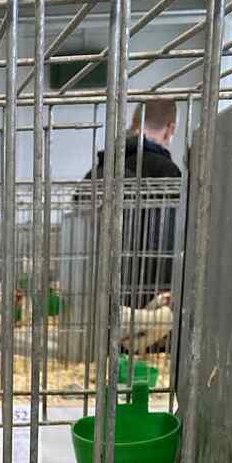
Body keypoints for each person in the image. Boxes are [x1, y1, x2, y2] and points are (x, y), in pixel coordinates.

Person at [84, 99, 181, 311]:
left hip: (93, 298)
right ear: (170, 129)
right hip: (147, 302)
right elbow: (169, 243)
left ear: (135, 122)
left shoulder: (97, 171)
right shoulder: (167, 173)